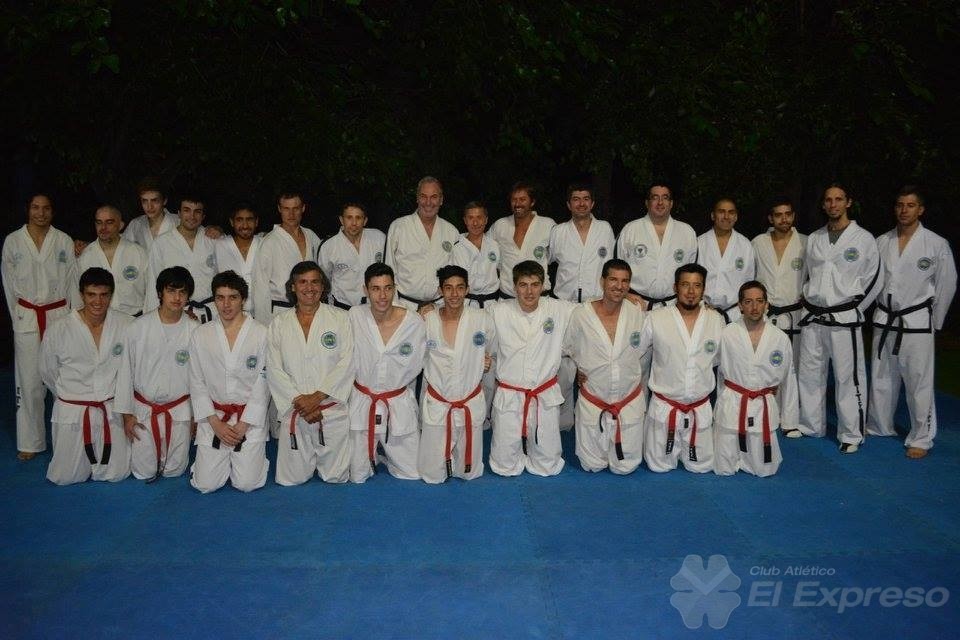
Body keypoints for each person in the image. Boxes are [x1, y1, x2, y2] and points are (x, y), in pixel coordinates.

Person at [866, 186, 957, 458]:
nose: (904, 210)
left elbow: (947, 285)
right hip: (885, 318)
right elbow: (873, 281)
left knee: (918, 381)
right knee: (881, 376)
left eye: (910, 205)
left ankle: (921, 437)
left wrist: (935, 322)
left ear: (921, 210)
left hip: (916, 321)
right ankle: (879, 425)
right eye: (900, 205)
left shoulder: (936, 244)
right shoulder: (882, 241)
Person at [795, 183, 882, 453]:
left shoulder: (864, 239)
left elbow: (874, 280)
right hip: (813, 316)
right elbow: (807, 275)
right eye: (828, 200)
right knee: (810, 374)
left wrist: (853, 308)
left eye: (838, 199)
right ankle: (811, 425)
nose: (833, 204)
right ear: (823, 205)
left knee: (848, 378)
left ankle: (851, 433)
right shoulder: (815, 238)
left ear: (848, 202)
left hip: (845, 318)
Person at [2, 193, 78, 460]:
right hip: (27, 316)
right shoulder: (13, 241)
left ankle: (66, 437)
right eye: (35, 208)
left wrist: (74, 320)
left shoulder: (63, 240)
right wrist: (18, 317)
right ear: (28, 210)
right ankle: (31, 441)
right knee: (29, 381)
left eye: (46, 208)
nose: (40, 213)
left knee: (62, 378)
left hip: (58, 314)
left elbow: (73, 283)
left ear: (52, 212)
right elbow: (8, 285)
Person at [40, 267, 133, 484]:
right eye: (91, 294)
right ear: (81, 294)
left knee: (117, 473)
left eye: (104, 295)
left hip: (110, 408)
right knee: (65, 477)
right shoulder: (59, 329)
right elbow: (47, 371)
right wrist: (69, 396)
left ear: (111, 295)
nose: (98, 301)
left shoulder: (127, 324)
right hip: (74, 410)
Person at [268, 261, 355, 485]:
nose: (309, 288)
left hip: (330, 410)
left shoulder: (340, 318)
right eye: (303, 282)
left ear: (323, 286)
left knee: (335, 478)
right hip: (295, 410)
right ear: (292, 287)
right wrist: (301, 403)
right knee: (291, 480)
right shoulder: (279, 323)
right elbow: (274, 368)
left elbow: (347, 363)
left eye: (315, 282)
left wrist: (316, 398)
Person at [488, 260, 576, 476]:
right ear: (514, 286)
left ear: (543, 285)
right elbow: (472, 326)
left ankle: (541, 455)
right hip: (510, 394)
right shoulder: (497, 311)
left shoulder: (559, 309)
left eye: (535, 285)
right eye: (523, 285)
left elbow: (593, 311)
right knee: (504, 466)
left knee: (547, 465)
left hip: (543, 394)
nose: (529, 291)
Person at [188, 270, 270, 493]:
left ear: (243, 299)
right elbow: (196, 381)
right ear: (213, 299)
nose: (226, 304)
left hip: (248, 420)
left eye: (233, 297)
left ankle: (255, 461)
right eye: (220, 298)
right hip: (214, 418)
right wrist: (215, 423)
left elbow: (264, 382)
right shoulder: (201, 334)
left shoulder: (261, 333)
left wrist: (244, 424)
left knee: (247, 484)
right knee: (205, 485)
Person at [637, 263, 724, 473]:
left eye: (697, 285)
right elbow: (633, 355)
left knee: (702, 467)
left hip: (699, 409)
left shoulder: (716, 320)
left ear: (704, 289)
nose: (691, 291)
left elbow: (719, 360)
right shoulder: (656, 318)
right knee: (658, 467)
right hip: (665, 408)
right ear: (675, 287)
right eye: (685, 284)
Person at [563, 259, 646, 474]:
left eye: (625, 281)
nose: (619, 286)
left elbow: (644, 347)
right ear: (602, 281)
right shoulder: (581, 314)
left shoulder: (637, 312)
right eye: (613, 280)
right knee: (591, 464)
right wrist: (577, 369)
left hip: (628, 399)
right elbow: (568, 347)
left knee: (625, 467)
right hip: (594, 397)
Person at [115, 267, 198, 480]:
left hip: (179, 410)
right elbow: (125, 373)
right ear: (160, 293)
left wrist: (196, 416)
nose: (177, 298)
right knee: (143, 472)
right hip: (144, 409)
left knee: (174, 470)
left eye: (182, 292)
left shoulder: (195, 330)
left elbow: (200, 379)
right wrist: (127, 415)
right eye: (171, 291)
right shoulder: (138, 327)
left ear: (188, 295)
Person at [348, 263, 425, 482]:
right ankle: (374, 452)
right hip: (363, 403)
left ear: (394, 288)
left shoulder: (414, 322)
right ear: (365, 290)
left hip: (397, 403)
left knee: (414, 472)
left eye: (387, 288)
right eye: (375, 289)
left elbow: (432, 355)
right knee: (356, 475)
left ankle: (384, 452)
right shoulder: (354, 316)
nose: (382, 296)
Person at [418, 265, 495, 483]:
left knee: (469, 472)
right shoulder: (427, 320)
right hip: (438, 402)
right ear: (440, 290)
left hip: (469, 400)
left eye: (460, 287)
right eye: (448, 288)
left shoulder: (482, 319)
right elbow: (415, 356)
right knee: (432, 474)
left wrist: (487, 360)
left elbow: (492, 349)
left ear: (467, 289)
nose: (454, 294)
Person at [714, 281, 799, 477]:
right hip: (733, 404)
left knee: (766, 469)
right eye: (748, 302)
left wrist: (790, 422)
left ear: (767, 304)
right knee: (724, 468)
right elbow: (708, 367)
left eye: (760, 301)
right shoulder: (727, 333)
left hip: (763, 407)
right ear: (740, 305)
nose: (754, 307)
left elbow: (789, 380)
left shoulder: (779, 338)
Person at [616, 182, 697, 308]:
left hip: (673, 305)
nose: (660, 202)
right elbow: (616, 268)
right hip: (636, 303)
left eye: (665, 198)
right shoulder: (630, 229)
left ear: (671, 203)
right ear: (647, 203)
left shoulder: (687, 232)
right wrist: (626, 295)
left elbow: (693, 273)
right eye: (655, 197)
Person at [384, 176, 459, 311]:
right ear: (417, 198)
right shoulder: (399, 227)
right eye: (423, 196)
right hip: (404, 305)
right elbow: (388, 269)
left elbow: (454, 275)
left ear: (441, 200)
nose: (428, 202)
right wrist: (394, 305)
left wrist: (440, 305)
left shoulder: (451, 232)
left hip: (439, 306)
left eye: (434, 197)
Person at [252, 190, 322, 324]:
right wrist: (263, 324)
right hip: (281, 311)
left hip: (311, 309)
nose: (291, 214)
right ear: (279, 209)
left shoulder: (311, 236)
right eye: (286, 209)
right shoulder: (270, 242)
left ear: (303, 208)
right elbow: (260, 286)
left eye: (296, 208)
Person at [144, 195, 218, 322]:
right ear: (178, 213)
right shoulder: (161, 243)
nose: (192, 216)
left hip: (212, 312)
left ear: (203, 216)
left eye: (197, 212)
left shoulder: (214, 240)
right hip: (176, 312)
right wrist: (152, 320)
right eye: (186, 210)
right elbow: (153, 284)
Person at [77, 205, 148, 317]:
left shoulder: (138, 253)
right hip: (100, 320)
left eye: (109, 222)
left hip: (135, 318)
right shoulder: (86, 256)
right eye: (99, 223)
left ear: (121, 225)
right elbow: (79, 297)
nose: (103, 227)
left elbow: (151, 292)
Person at [489, 182, 556, 298]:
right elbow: (485, 249)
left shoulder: (547, 225)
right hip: (507, 297)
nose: (517, 204)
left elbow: (555, 254)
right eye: (514, 200)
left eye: (522, 199)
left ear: (532, 202)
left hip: (539, 298)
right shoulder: (500, 225)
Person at [697, 197, 756, 322]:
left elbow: (749, 282)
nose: (726, 216)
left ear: (736, 217)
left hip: (735, 313)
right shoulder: (700, 243)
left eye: (731, 212)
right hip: (703, 310)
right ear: (713, 216)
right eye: (721, 212)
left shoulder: (745, 245)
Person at [317, 203, 386, 309]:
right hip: (341, 306)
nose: (354, 223)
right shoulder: (329, 246)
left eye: (358, 218)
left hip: (374, 305)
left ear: (365, 220)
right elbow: (323, 279)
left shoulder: (379, 238)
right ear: (341, 220)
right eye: (349, 218)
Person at [449, 201, 501, 309]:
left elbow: (500, 271)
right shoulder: (457, 248)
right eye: (471, 218)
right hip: (467, 304)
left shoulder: (494, 245)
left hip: (493, 304)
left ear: (486, 220)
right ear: (465, 220)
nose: (475, 223)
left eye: (479, 217)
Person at [214, 204, 262, 311]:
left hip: (261, 311)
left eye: (249, 219)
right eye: (239, 220)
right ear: (232, 222)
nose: (245, 225)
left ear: (256, 222)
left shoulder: (264, 244)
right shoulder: (220, 245)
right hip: (229, 311)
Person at [123, 178, 179, 252]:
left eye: (154, 200)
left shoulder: (178, 222)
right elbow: (123, 250)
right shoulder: (135, 225)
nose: (149, 207)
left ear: (164, 201)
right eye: (145, 201)